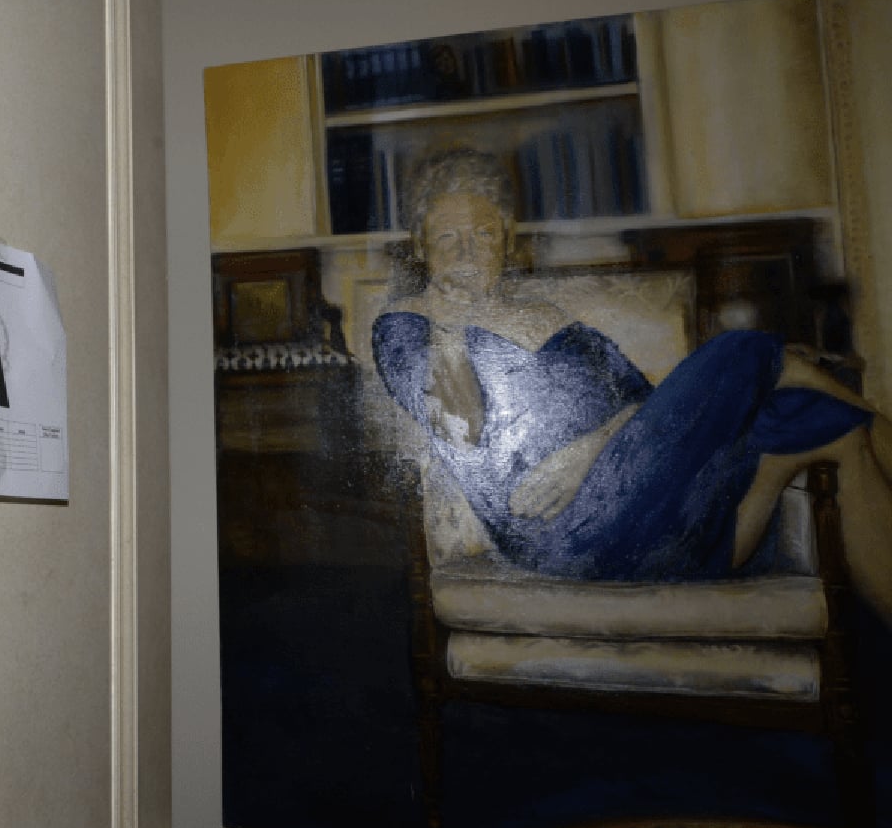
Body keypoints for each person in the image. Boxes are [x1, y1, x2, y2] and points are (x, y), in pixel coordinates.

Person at [370, 147, 892, 616]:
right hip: (567, 533)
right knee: (743, 347)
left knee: (829, 423)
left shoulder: (546, 314)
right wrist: (449, 327)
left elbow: (645, 403)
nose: (467, 252)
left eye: (483, 234)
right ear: (420, 248)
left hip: (647, 504)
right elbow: (463, 433)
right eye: (447, 238)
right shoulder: (405, 325)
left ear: (506, 240)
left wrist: (591, 451)